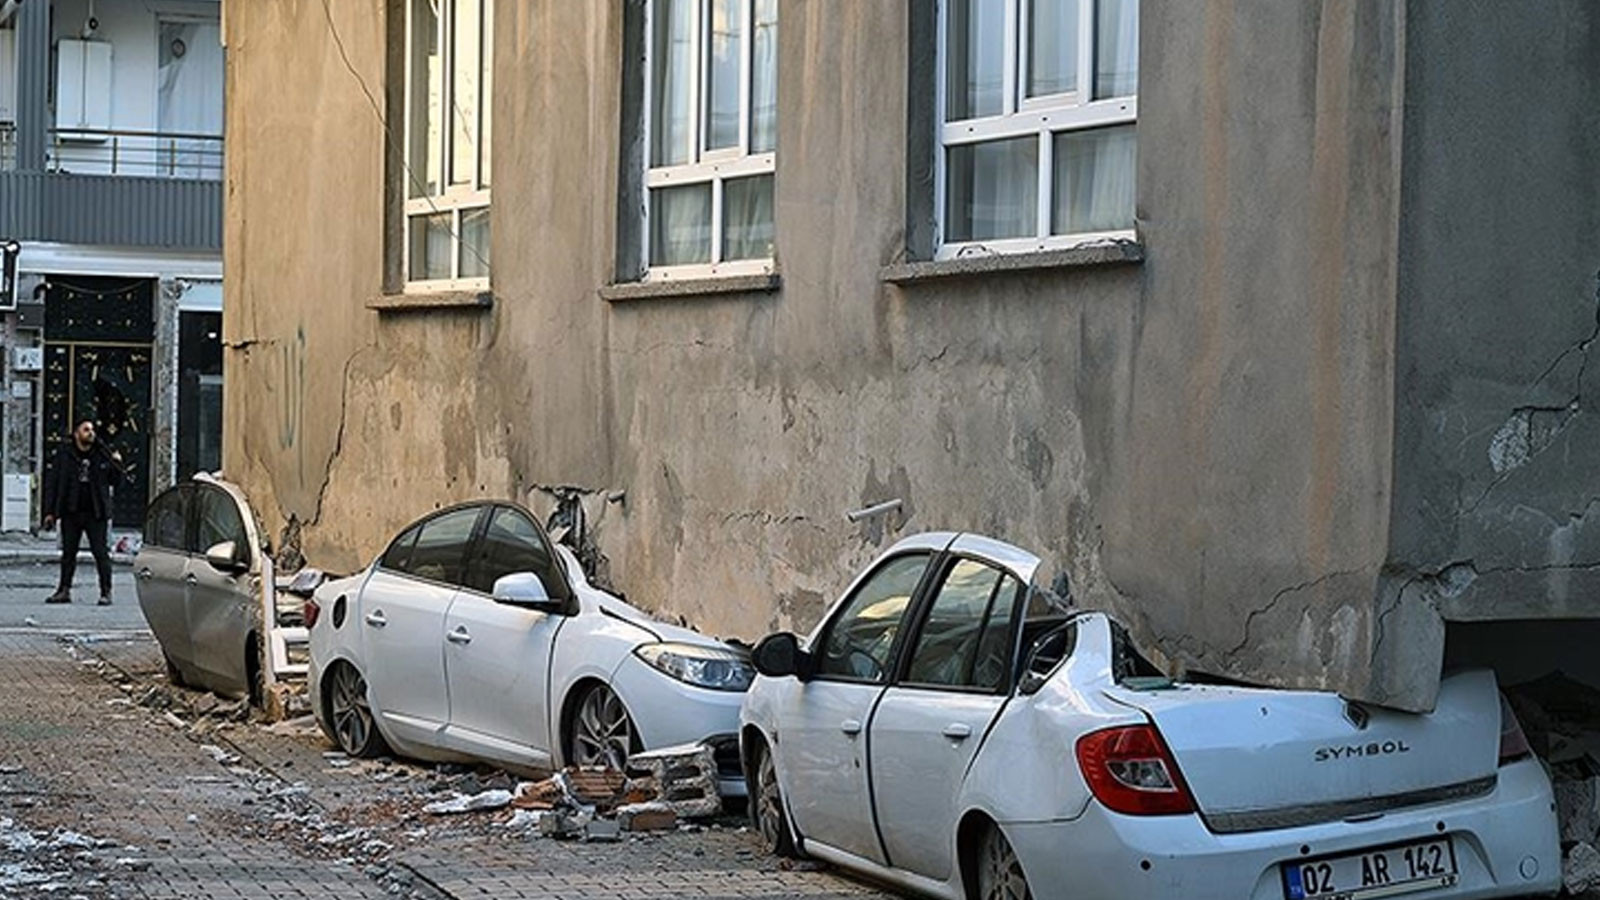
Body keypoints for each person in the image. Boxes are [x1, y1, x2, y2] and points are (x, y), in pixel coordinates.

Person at [42, 420, 123, 605]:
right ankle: (64, 590)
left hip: (95, 511)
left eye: (92, 430)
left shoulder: (101, 453)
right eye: (86, 430)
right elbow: (54, 483)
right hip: (71, 510)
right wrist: (50, 512)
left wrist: (117, 464)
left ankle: (106, 591)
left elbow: (115, 481)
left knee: (100, 553)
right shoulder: (65, 454)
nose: (90, 433)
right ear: (77, 433)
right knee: (68, 554)